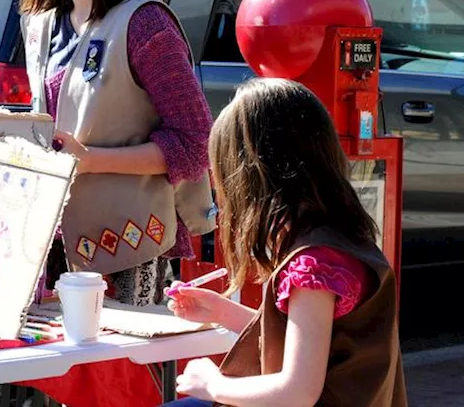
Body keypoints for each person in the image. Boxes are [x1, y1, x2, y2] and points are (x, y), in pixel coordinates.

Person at [19, 0, 214, 306]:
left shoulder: (145, 23)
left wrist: (89, 161)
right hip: (47, 242)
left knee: (120, 370)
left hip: (129, 244)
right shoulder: (40, 23)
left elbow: (196, 141)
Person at [163, 78, 405, 406]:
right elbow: (311, 339)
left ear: (252, 178)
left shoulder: (312, 266)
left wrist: (213, 385)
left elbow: (297, 392)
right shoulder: (341, 240)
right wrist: (223, 312)